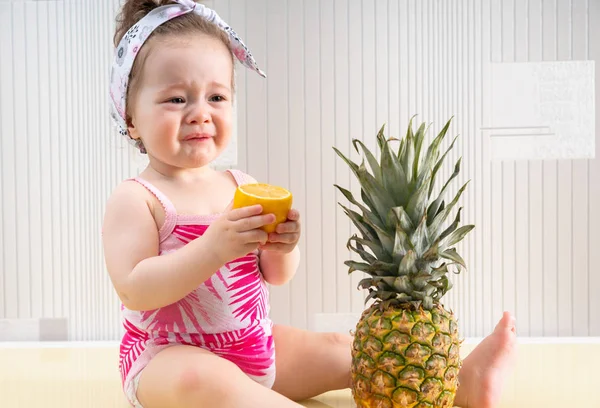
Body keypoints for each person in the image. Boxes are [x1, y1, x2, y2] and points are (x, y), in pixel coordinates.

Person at [102, 1, 517, 407]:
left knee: (344, 350)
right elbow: (136, 289)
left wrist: (282, 248)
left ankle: (461, 381)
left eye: (217, 97)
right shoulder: (138, 198)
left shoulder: (241, 186)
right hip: (166, 360)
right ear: (131, 117)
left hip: (254, 348)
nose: (200, 114)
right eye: (176, 99)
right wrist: (213, 248)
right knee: (208, 380)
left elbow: (275, 276)